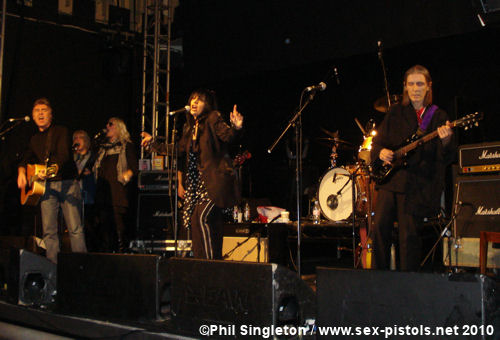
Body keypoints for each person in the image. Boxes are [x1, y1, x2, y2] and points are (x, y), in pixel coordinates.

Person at [370, 65, 455, 271]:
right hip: (391, 181)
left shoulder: (438, 115)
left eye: (420, 84)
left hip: (417, 184)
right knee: (380, 228)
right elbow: (378, 143)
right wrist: (380, 152)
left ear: (428, 87)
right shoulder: (396, 112)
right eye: (411, 84)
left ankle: (408, 283)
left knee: (408, 235)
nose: (415, 88)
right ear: (405, 87)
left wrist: (446, 140)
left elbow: (448, 155)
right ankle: (377, 279)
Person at [141, 89, 243, 259]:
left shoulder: (213, 118)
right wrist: (153, 144)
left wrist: (236, 127)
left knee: (202, 218)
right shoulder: (190, 128)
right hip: (198, 184)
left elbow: (228, 136)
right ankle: (204, 262)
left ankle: (210, 265)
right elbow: (178, 149)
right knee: (197, 221)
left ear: (207, 104)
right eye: (193, 99)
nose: (194, 102)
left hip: (216, 181)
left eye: (199, 100)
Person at [17, 98, 87, 263]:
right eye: (37, 111)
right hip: (46, 187)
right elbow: (24, 157)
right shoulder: (34, 138)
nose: (40, 113)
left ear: (51, 114)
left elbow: (64, 155)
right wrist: (21, 171)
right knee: (49, 231)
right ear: (33, 116)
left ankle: (81, 266)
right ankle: (52, 268)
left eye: (44, 110)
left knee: (74, 228)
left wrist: (50, 170)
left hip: (66, 183)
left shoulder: (61, 131)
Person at [93, 117, 137, 252]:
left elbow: (134, 167)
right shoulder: (103, 149)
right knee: (105, 226)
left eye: (110, 124)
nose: (107, 126)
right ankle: (108, 254)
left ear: (119, 128)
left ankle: (121, 253)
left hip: (117, 193)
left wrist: (127, 174)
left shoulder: (126, 146)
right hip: (103, 194)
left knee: (119, 227)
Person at [73, 130, 97, 251]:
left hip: (88, 196)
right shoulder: (72, 158)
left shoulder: (93, 157)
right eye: (75, 137)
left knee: (88, 226)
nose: (77, 139)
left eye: (80, 137)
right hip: (73, 197)